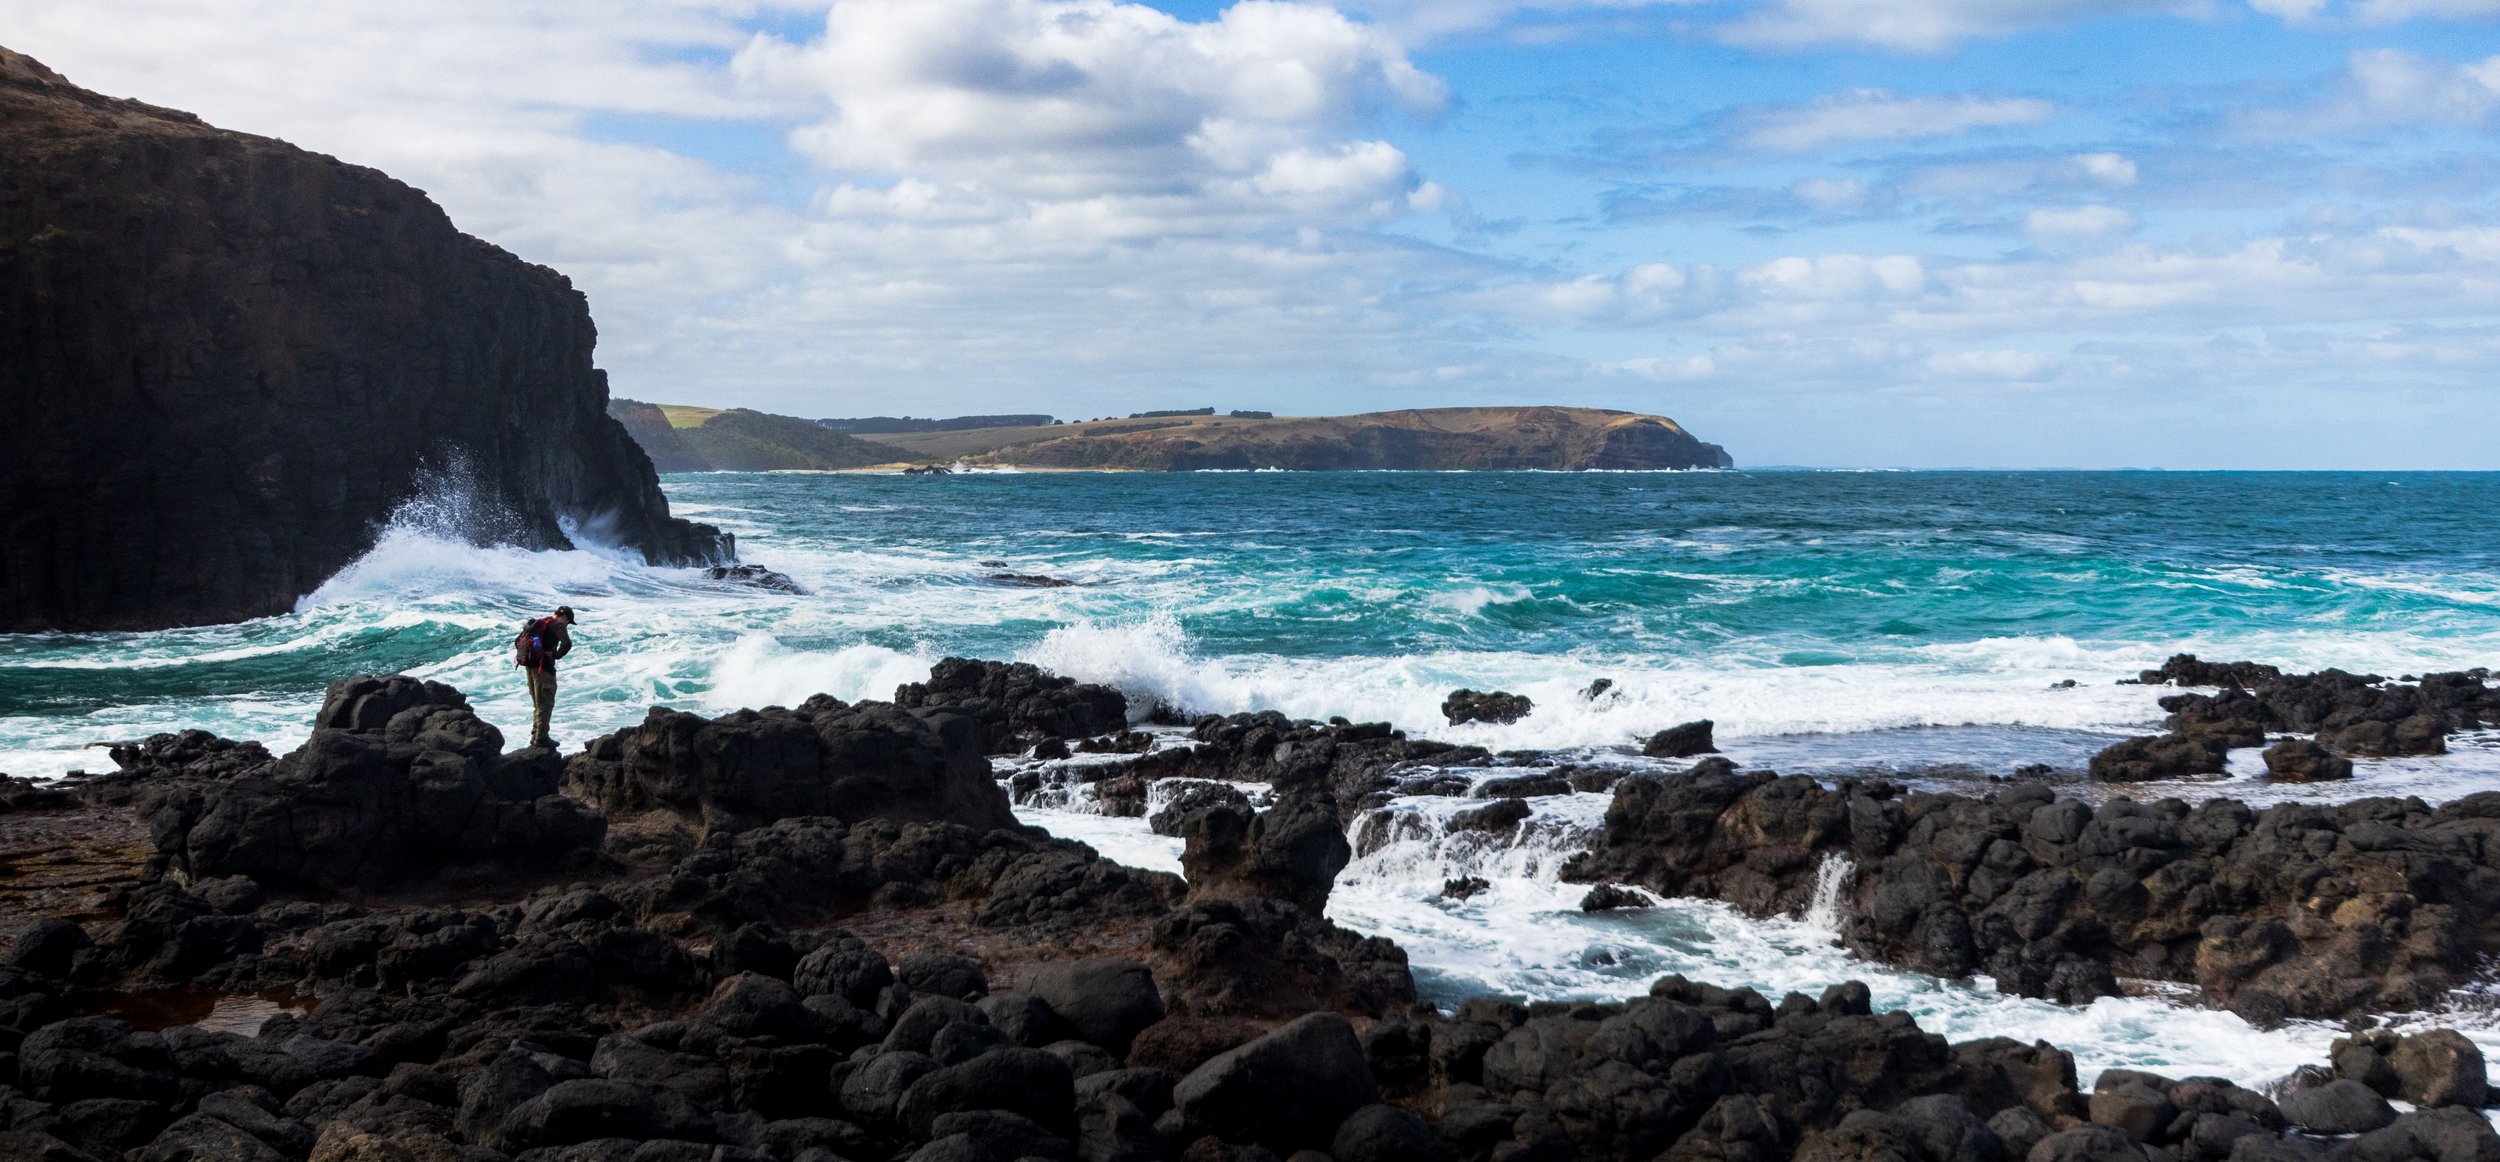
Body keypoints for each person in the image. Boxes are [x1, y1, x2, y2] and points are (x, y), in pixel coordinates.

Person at [515, 606, 575, 749]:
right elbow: (567, 644)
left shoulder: (540, 623)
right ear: (565, 618)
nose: (567, 624)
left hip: (530, 667)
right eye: (568, 622)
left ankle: (535, 734)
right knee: (546, 703)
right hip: (543, 669)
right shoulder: (558, 625)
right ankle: (541, 738)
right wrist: (555, 655)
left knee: (538, 702)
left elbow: (517, 642)